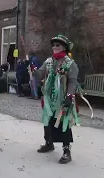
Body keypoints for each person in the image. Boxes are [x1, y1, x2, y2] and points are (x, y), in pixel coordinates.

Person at [33, 34, 79, 164]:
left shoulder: (70, 63)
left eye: (57, 45)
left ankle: (66, 151)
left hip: (63, 98)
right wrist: (32, 69)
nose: (55, 47)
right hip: (49, 99)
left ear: (64, 47)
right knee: (47, 121)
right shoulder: (48, 61)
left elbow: (73, 82)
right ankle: (49, 143)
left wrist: (70, 96)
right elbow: (39, 74)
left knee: (63, 124)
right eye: (53, 45)